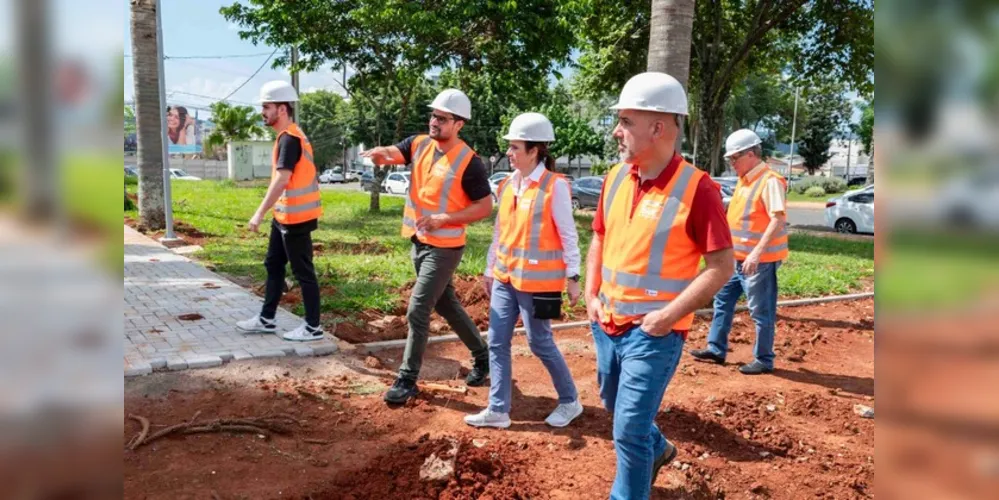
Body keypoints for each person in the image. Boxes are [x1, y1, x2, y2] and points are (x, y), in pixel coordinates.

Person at [586, 72, 734, 499]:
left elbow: (722, 266)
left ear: (659, 127)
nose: (617, 131)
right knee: (618, 409)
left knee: (628, 430)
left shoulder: (698, 188)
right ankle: (659, 450)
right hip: (607, 324)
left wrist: (667, 317)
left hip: (653, 334)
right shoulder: (615, 178)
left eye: (626, 121)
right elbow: (599, 236)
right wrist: (591, 295)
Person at [360, 89, 493, 405]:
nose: (434, 121)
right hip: (419, 243)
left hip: (445, 248)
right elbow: (395, 152)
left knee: (417, 310)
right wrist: (381, 153)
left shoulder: (469, 162)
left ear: (458, 124)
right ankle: (483, 355)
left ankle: (407, 379)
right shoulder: (419, 144)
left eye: (442, 118)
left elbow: (485, 206)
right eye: (433, 115)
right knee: (446, 304)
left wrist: (445, 218)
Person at [463, 113, 583, 429]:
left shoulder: (554, 186)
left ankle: (570, 401)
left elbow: (569, 234)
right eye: (510, 148)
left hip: (540, 282)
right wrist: (490, 270)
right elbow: (500, 232)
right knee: (497, 342)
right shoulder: (507, 184)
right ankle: (498, 409)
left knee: (539, 342)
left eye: (515, 147)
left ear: (535, 151)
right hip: (505, 277)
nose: (510, 153)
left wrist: (573, 277)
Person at [236, 81, 328, 342]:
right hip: (284, 216)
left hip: (296, 217)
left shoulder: (290, 138)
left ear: (283, 108)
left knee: (303, 272)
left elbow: (282, 179)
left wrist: (259, 212)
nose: (263, 112)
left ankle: (312, 327)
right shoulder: (286, 136)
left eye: (267, 107)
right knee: (274, 264)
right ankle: (267, 318)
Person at [691, 129, 788, 375]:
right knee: (723, 301)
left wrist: (756, 253)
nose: (732, 163)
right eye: (730, 159)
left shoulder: (769, 181)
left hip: (759, 263)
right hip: (735, 260)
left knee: (760, 311)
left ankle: (764, 359)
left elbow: (777, 220)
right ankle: (716, 348)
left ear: (752, 154)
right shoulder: (745, 182)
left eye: (735, 158)